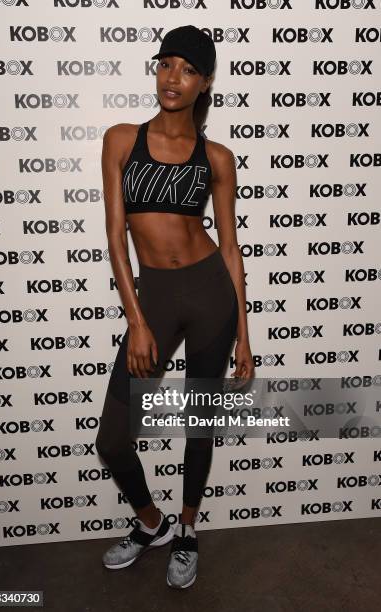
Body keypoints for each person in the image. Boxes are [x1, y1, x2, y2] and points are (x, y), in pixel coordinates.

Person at [95, 24, 254, 589]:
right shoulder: (120, 140)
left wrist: (244, 337)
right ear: (156, 68)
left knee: (198, 424)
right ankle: (152, 523)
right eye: (167, 64)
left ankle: (187, 529)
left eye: (188, 69)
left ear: (204, 82)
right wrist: (136, 320)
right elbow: (117, 239)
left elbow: (230, 248)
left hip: (212, 295)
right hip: (154, 300)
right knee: (113, 438)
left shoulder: (217, 156)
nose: (173, 77)